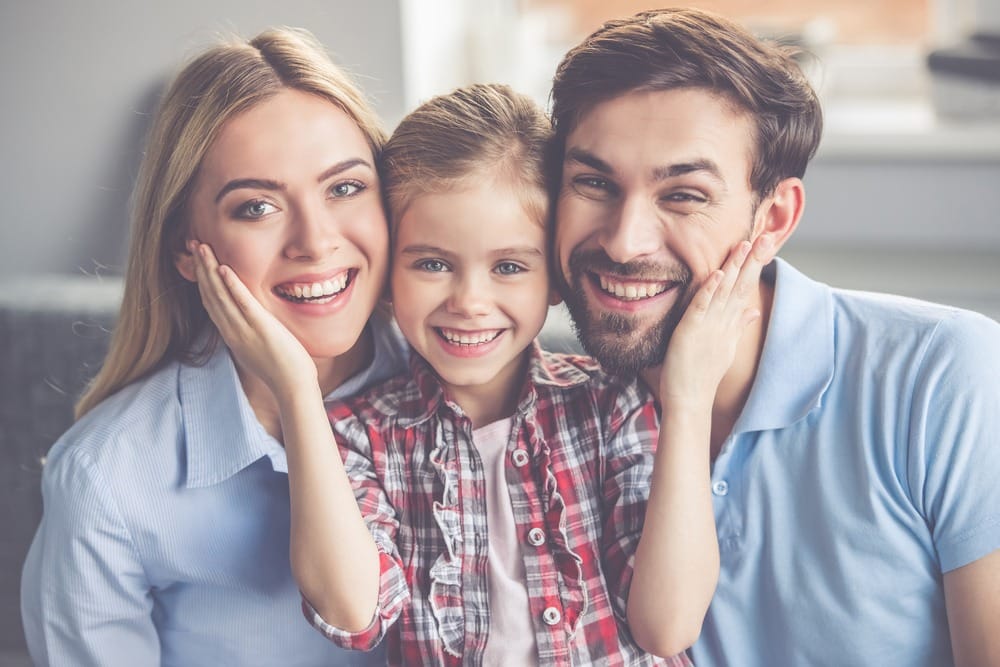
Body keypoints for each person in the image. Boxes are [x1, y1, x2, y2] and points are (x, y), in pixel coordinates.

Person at [188, 82, 768, 665]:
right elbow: (351, 614)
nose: (469, 301)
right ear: (390, 268)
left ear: (557, 278)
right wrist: (296, 389)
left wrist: (687, 399)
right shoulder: (358, 434)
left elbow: (666, 629)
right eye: (433, 264)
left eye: (509, 266)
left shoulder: (607, 407)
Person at [548, 7, 1000, 666]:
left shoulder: (945, 374)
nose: (623, 240)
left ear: (774, 217)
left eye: (684, 195)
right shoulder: (547, 411)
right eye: (593, 182)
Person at [20, 27, 408, 666]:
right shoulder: (106, 478)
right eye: (256, 207)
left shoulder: (467, 393)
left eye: (344, 187)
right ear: (184, 246)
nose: (315, 241)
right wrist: (295, 386)